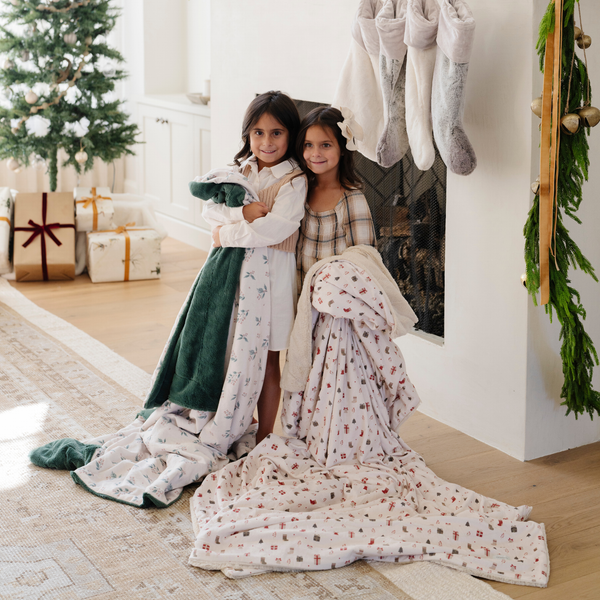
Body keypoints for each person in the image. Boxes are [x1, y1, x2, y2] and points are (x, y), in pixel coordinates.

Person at [203, 90, 306, 444]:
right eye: (258, 133)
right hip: (236, 277)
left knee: (270, 356)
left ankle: (265, 434)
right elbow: (209, 208)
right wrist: (239, 214)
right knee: (236, 348)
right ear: (248, 134)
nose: (266, 141)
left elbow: (273, 229)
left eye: (276, 133)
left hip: (274, 280)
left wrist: (223, 235)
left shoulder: (294, 180)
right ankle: (231, 418)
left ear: (290, 134)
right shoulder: (239, 170)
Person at [295, 106, 377, 291]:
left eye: (326, 145)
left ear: (342, 148)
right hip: (300, 296)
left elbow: (365, 260)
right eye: (308, 145)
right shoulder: (300, 189)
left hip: (337, 300)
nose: (315, 153)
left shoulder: (351, 199)